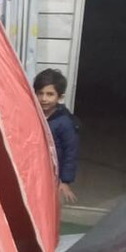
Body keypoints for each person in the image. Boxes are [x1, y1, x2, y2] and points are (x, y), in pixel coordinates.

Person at [33, 68, 79, 204]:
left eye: (50, 94)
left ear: (60, 97)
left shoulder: (65, 122)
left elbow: (70, 152)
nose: (44, 99)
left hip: (53, 175)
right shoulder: (33, 114)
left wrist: (65, 181)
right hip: (35, 170)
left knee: (48, 203)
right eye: (40, 93)